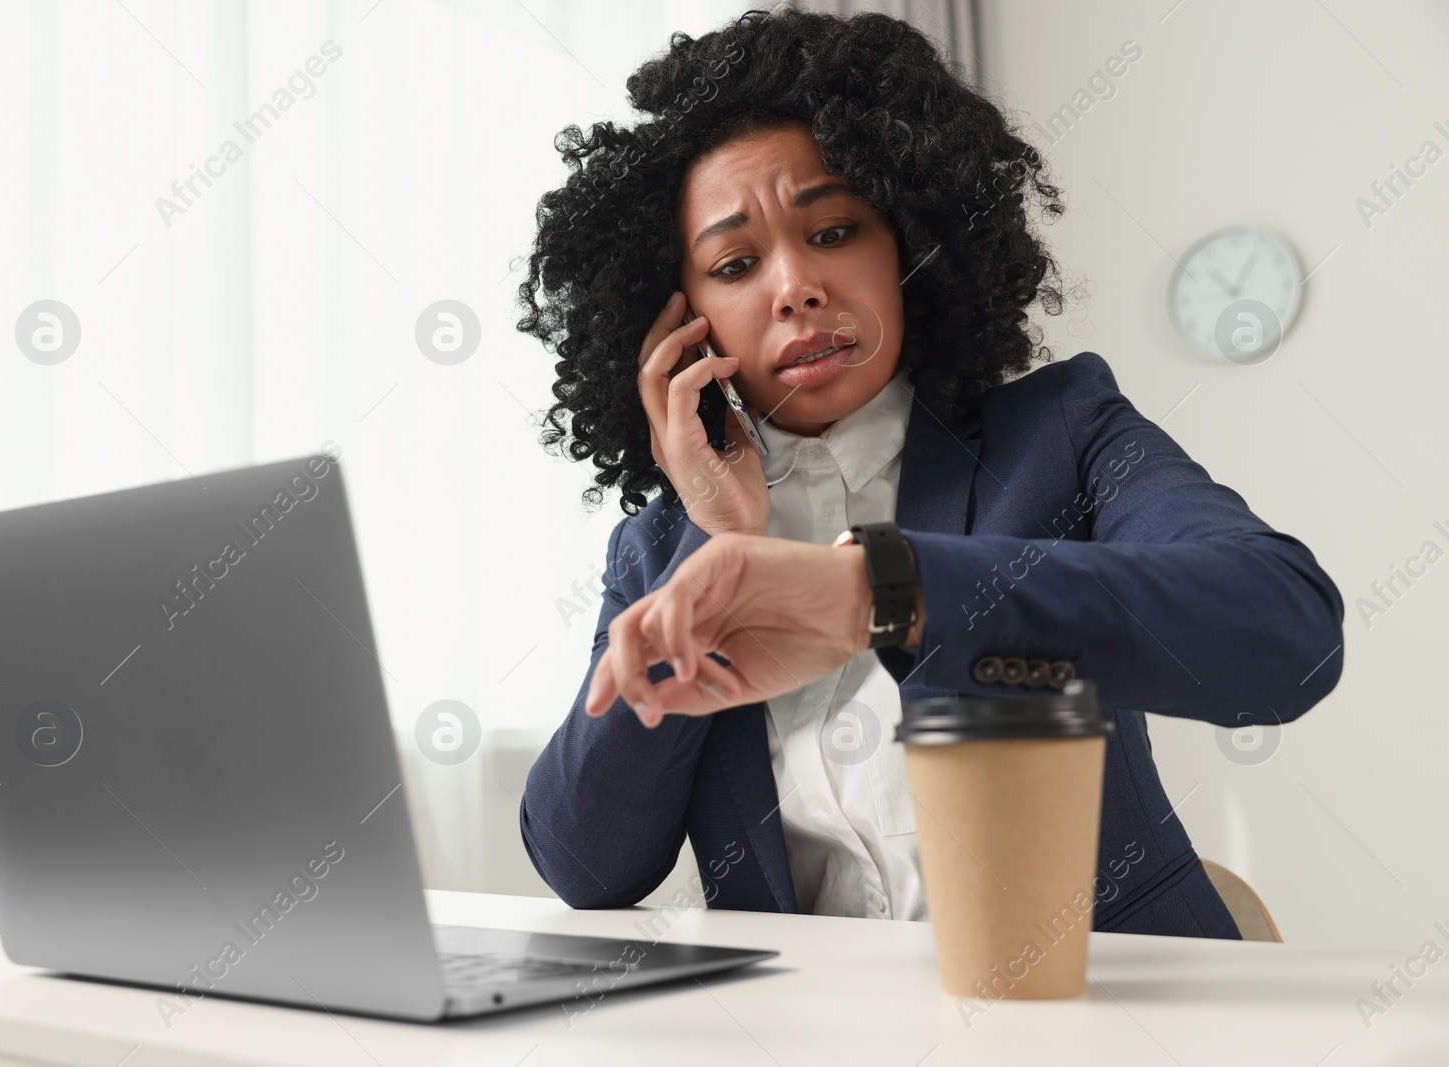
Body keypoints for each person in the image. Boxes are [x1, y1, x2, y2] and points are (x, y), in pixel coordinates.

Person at [513, 7, 1342, 938]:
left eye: (833, 231)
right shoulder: (662, 548)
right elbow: (586, 864)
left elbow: (1286, 631)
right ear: (677, 323)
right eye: (737, 262)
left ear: (908, 243)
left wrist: (884, 591)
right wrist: (716, 536)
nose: (794, 287)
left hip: (1107, 1019)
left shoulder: (1059, 433)